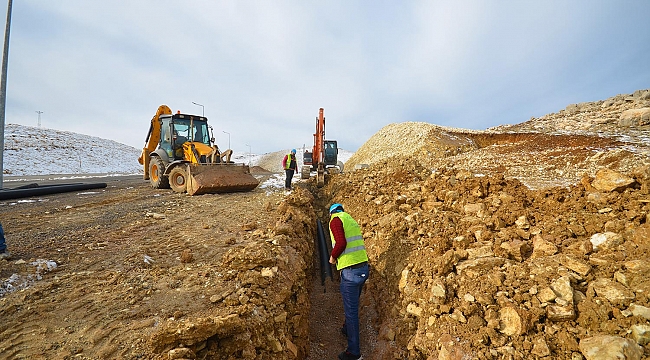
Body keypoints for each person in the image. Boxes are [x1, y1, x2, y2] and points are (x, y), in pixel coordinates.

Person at [328, 203, 369, 360]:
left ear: (331, 213)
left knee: (351, 312)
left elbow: (341, 243)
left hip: (351, 271)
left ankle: (354, 353)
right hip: (363, 268)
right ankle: (347, 328)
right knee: (353, 305)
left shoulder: (335, 220)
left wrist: (332, 258)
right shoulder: (350, 219)